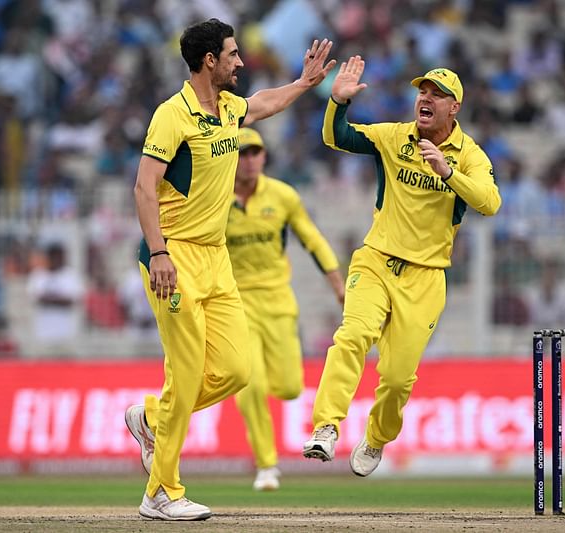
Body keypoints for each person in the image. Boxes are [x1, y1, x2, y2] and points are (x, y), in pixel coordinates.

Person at [125, 18, 335, 521]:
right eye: (233, 55)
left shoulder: (230, 109)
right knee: (188, 369)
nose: (241, 62)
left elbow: (265, 103)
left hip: (217, 259)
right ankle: (162, 492)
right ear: (209, 61)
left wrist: (305, 84)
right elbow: (143, 188)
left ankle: (150, 417)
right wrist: (159, 254)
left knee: (237, 370)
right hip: (173, 258)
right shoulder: (171, 116)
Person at [302, 60, 501, 477]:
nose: (425, 98)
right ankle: (326, 426)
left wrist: (448, 173)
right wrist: (337, 102)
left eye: (437, 94)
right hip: (375, 260)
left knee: (396, 379)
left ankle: (376, 438)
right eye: (422, 91)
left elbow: (490, 202)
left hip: (426, 277)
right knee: (352, 336)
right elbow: (336, 138)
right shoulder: (395, 137)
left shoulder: (470, 155)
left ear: (455, 107)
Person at [227, 127, 345, 491]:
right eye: (243, 153)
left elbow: (314, 241)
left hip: (278, 303)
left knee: (290, 387)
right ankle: (266, 465)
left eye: (255, 152)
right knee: (251, 383)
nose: (249, 160)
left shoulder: (282, 196)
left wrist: (340, 288)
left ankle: (267, 457)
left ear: (264, 157)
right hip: (234, 305)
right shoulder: (214, 199)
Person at [26, 242, 85, 358]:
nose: (60, 259)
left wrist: (49, 299)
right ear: (50, 257)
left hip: (66, 335)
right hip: (43, 336)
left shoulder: (71, 275)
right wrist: (58, 299)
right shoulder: (38, 275)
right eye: (57, 256)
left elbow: (71, 301)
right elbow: (36, 299)